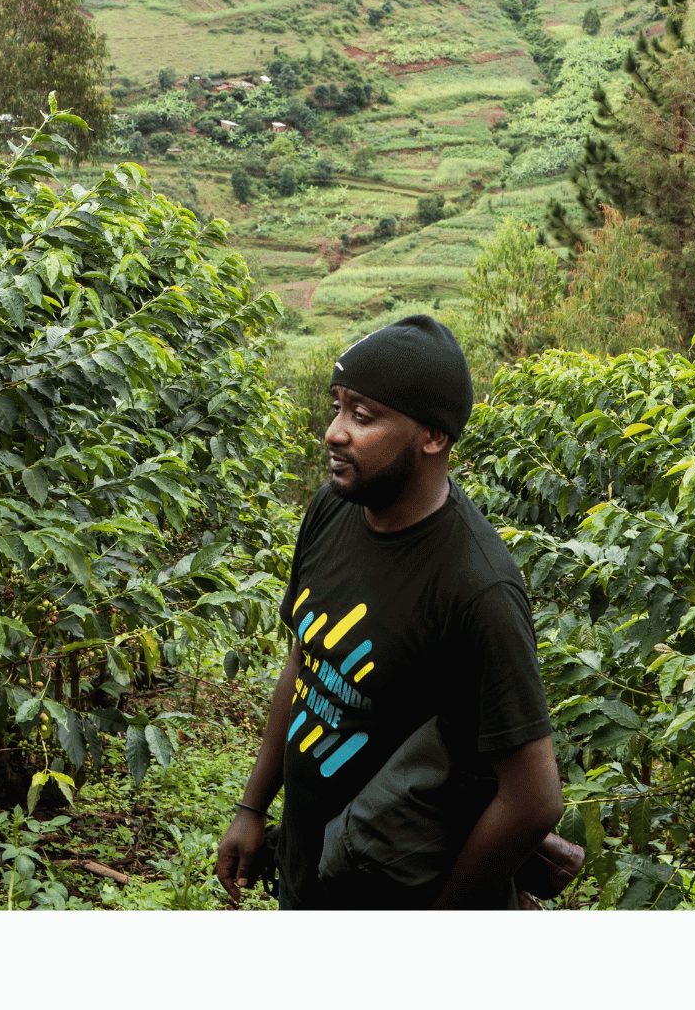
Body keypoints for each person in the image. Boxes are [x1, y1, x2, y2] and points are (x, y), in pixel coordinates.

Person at [217, 314, 563, 909]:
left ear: (434, 437)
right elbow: (307, 657)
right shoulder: (332, 510)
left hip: (395, 885)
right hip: (311, 863)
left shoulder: (477, 589)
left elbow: (534, 798)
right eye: (338, 406)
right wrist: (253, 806)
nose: (333, 432)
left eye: (364, 415)